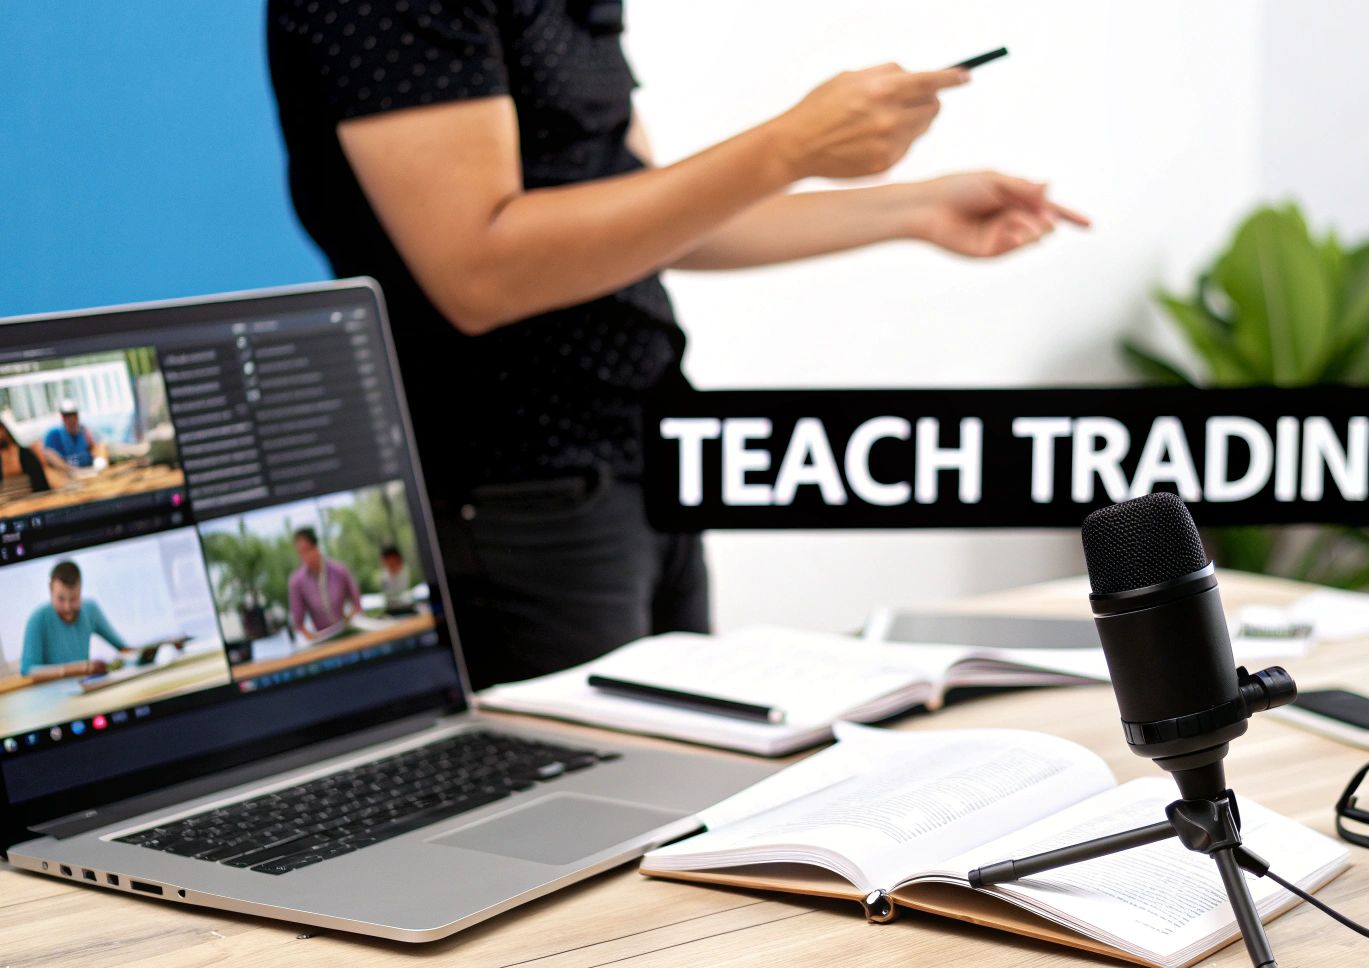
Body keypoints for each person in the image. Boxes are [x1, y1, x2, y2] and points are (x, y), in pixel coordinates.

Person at [266, 2, 1087, 684]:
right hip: (515, 490)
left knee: (677, 806)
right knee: (590, 841)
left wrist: (912, 210)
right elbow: (481, 273)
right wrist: (792, 146)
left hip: (639, 450)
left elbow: (648, 217)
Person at [19, 560, 129, 681]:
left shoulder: (90, 610)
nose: (68, 607)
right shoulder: (37, 619)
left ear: (81, 590)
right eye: (61, 599)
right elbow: (28, 671)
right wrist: (81, 668)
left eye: (74, 599)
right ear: (50, 589)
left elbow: (123, 648)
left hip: (86, 688)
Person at [288, 527, 361, 641]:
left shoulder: (339, 570)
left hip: (348, 633)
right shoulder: (297, 582)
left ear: (315, 546)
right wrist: (314, 639)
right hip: (323, 640)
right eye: (300, 553)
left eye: (307, 550)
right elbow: (298, 624)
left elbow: (357, 605)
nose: (304, 556)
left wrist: (351, 621)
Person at [0, 417, 52, 498]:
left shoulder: (26, 453)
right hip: (7, 507)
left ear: (5, 430)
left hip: (30, 503)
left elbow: (42, 486)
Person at [40, 398, 108, 470]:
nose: (71, 418)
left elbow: (98, 447)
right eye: (67, 415)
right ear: (62, 417)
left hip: (89, 468)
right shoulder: (54, 434)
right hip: (68, 472)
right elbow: (48, 454)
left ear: (77, 415)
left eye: (73, 414)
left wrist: (99, 462)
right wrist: (68, 469)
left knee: (102, 447)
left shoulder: (86, 431)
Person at [378, 544, 413, 614]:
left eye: (390, 560)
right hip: (391, 609)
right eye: (386, 561)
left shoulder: (405, 571)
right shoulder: (384, 575)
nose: (389, 563)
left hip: (407, 607)